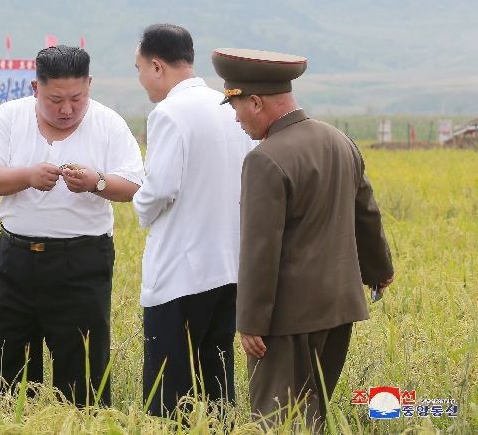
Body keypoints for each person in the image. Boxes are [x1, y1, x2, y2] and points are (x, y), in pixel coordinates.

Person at [213, 48, 395, 430]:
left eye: (237, 106)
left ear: (256, 102)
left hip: (286, 320)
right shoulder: (339, 140)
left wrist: (251, 322)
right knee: (315, 414)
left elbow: (261, 250)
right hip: (339, 310)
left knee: (277, 420)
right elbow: (367, 213)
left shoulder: (265, 159)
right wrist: (380, 271)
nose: (236, 117)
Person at [0, 45, 144, 407]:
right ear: (36, 88)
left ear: (89, 85)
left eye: (77, 99)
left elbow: (133, 185)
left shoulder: (108, 123)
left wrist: (96, 182)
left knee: (83, 377)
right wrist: (27, 176)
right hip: (13, 261)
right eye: (55, 100)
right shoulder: (10, 117)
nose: (67, 110)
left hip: (81, 264)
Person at [132, 25, 255, 418]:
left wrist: (138, 206)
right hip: (228, 267)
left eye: (139, 69)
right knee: (216, 380)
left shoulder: (169, 112)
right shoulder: (228, 106)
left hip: (180, 273)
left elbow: (159, 188)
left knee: (170, 394)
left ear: (156, 66)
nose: (141, 80)